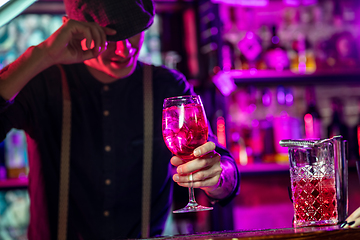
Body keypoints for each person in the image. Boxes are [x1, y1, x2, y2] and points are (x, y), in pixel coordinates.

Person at [0, 0, 240, 239]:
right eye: (110, 38)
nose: (124, 50)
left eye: (133, 33)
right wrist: (41, 55)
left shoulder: (168, 86)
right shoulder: (41, 83)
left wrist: (217, 176)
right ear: (72, 30)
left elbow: (222, 164)